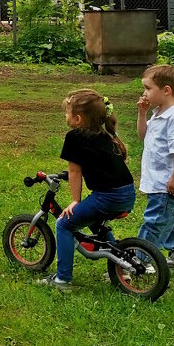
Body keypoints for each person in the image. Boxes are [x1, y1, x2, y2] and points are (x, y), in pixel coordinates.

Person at [38, 89, 136, 291]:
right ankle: (122, 268)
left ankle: (62, 280)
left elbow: (74, 171)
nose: (65, 117)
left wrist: (75, 200)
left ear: (78, 119)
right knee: (96, 221)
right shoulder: (107, 134)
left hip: (107, 197)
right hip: (127, 194)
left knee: (64, 224)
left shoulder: (75, 137)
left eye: (67, 113)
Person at [136, 64, 174, 272]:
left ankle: (140, 261)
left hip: (166, 183)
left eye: (148, 88)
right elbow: (143, 135)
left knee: (155, 222)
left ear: (166, 90)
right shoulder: (159, 113)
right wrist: (142, 114)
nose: (144, 93)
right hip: (157, 181)